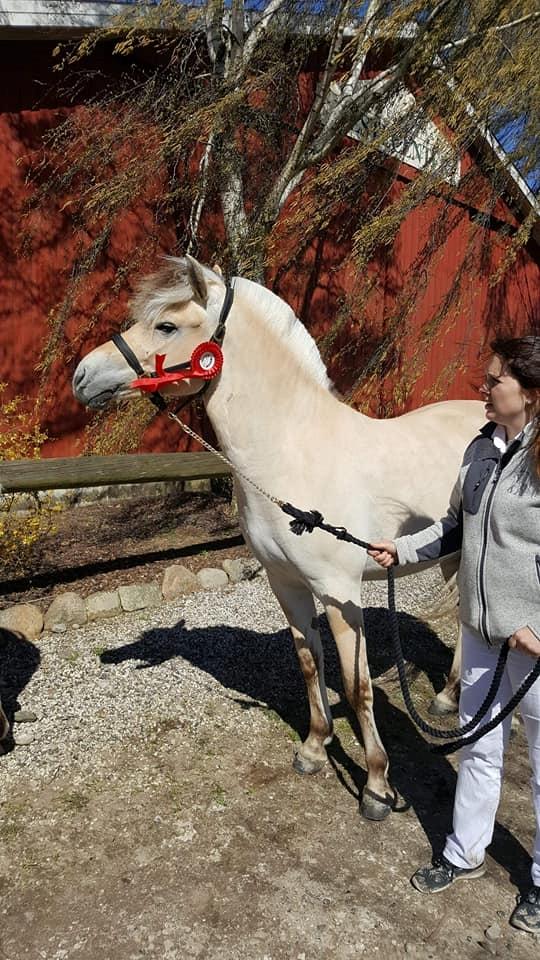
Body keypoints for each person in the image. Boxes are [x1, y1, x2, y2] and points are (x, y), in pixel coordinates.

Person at [368, 336, 540, 935]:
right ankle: (465, 853)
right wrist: (402, 549)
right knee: (480, 748)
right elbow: (453, 528)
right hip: (482, 631)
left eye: (495, 381)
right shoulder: (480, 449)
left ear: (529, 393)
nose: (483, 388)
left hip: (533, 644)